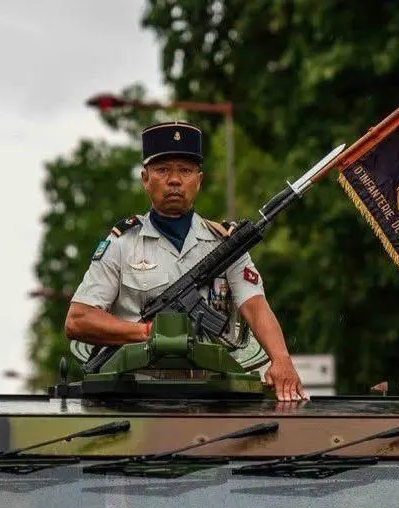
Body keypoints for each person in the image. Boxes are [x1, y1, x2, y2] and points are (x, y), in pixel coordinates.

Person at [64, 120, 306, 401]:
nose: (175, 180)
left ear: (199, 180)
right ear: (145, 179)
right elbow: (77, 320)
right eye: (163, 170)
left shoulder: (225, 244)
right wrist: (145, 332)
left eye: (186, 171)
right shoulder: (122, 244)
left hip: (216, 393)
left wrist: (281, 359)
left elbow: (254, 305)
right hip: (138, 395)